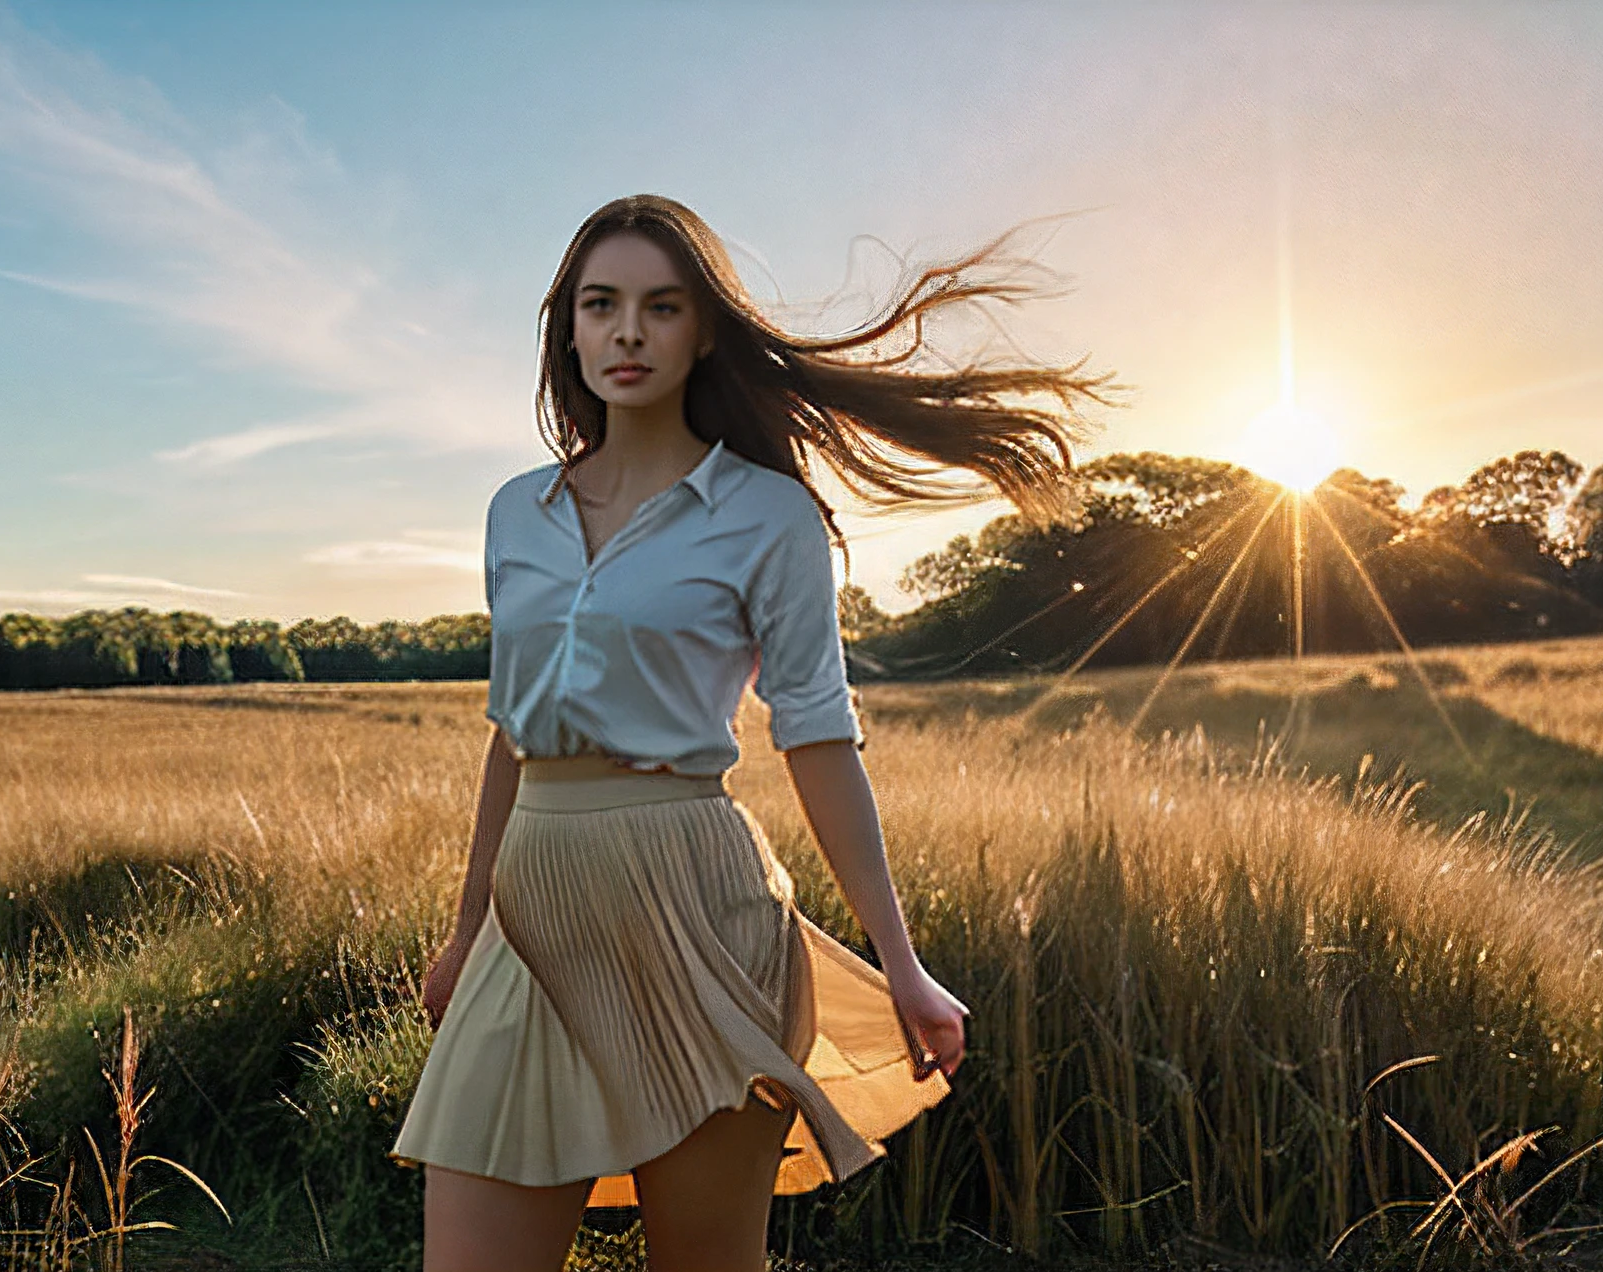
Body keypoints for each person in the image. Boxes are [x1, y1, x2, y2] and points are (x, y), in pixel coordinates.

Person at [387, 194, 1108, 1271]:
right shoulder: (513, 513)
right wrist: (464, 929)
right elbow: (511, 731)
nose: (627, 331)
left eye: (660, 306)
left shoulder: (767, 517)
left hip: (699, 915)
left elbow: (817, 737)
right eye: (601, 305)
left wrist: (900, 963)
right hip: (530, 926)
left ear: (703, 330)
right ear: (568, 330)